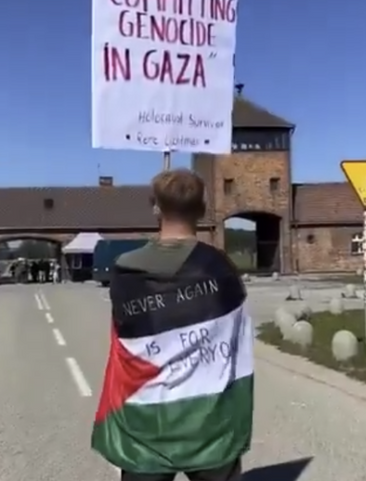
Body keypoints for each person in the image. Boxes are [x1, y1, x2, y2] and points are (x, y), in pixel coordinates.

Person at [92, 168, 253, 481]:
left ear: (156, 207)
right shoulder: (221, 267)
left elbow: (125, 340)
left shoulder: (126, 271)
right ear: (203, 209)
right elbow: (237, 335)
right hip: (210, 424)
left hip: (146, 425)